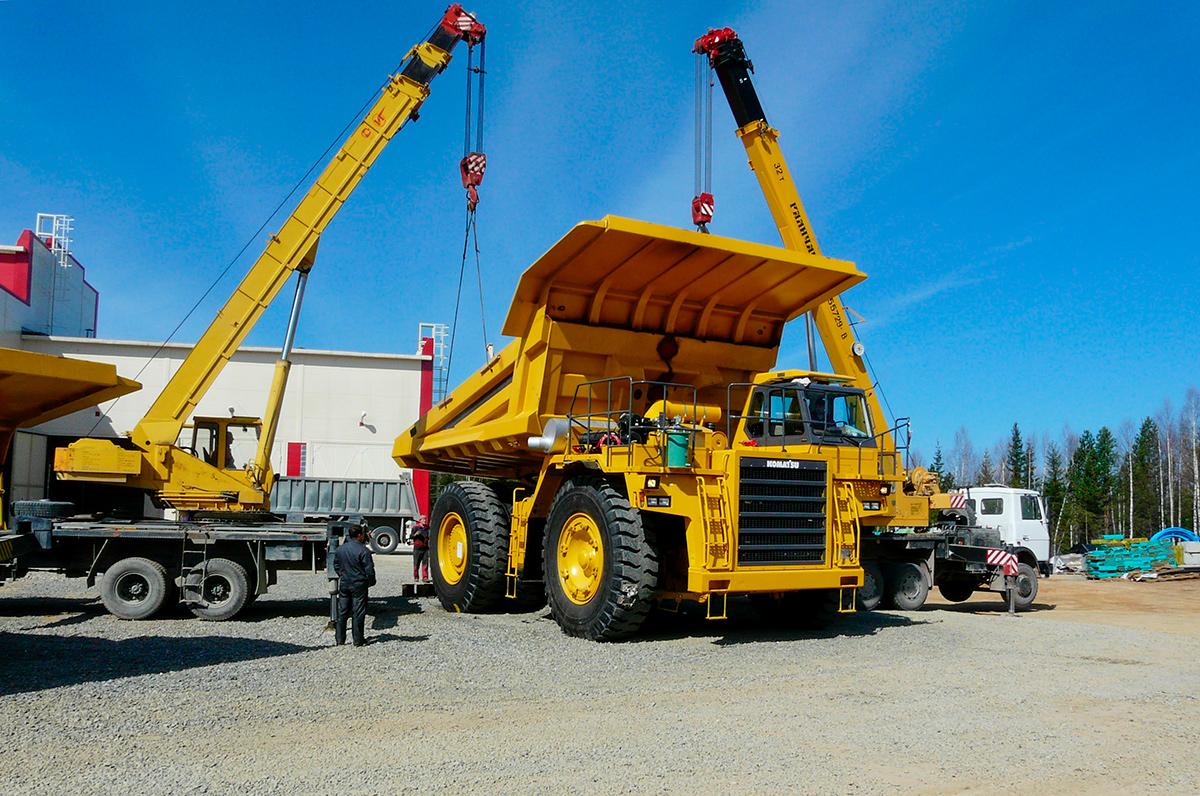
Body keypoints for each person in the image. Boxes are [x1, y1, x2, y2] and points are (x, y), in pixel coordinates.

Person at [334, 524, 376, 647]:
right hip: (359, 584)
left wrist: (342, 575)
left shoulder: (340, 549)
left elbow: (336, 565)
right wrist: (370, 582)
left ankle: (340, 640)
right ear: (359, 535)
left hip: (345, 583)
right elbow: (369, 569)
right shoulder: (363, 551)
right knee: (358, 612)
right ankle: (358, 640)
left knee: (342, 612)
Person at [410, 515, 430, 583]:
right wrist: (415, 535)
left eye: (425, 519)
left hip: (425, 549)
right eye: (424, 519)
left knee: (425, 564)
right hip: (417, 549)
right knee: (416, 564)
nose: (425, 521)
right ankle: (416, 577)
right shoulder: (416, 527)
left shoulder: (427, 528)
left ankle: (425, 577)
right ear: (420, 520)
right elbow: (411, 536)